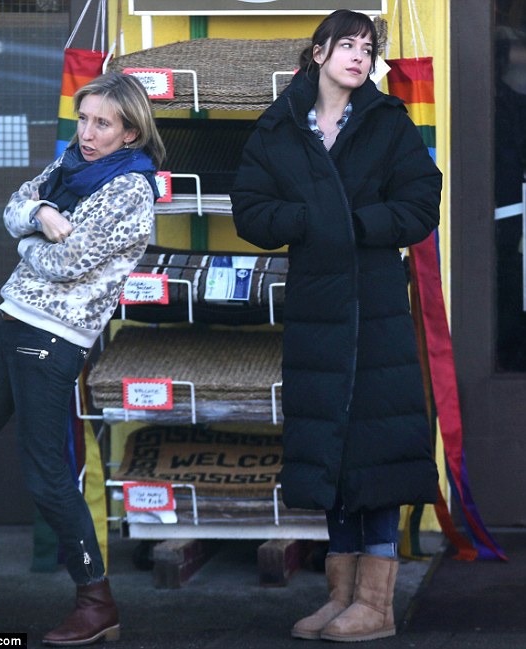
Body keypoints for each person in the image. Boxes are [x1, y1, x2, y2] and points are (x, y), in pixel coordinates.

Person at [0, 71, 165, 646]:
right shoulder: (66, 167)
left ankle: (96, 602)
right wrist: (42, 216)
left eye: (103, 124)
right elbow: (13, 206)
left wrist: (28, 236)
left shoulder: (131, 190)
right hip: (12, 323)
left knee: (46, 475)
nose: (88, 133)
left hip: (53, 339)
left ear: (129, 133)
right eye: (84, 119)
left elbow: (66, 262)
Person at [230, 9, 441, 643]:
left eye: (367, 48)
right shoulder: (279, 126)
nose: (358, 56)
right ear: (317, 52)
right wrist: (309, 222)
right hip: (315, 302)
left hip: (375, 301)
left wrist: (355, 225)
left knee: (378, 442)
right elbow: (250, 209)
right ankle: (341, 596)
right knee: (329, 444)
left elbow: (420, 203)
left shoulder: (387, 122)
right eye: (346, 44)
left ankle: (376, 604)